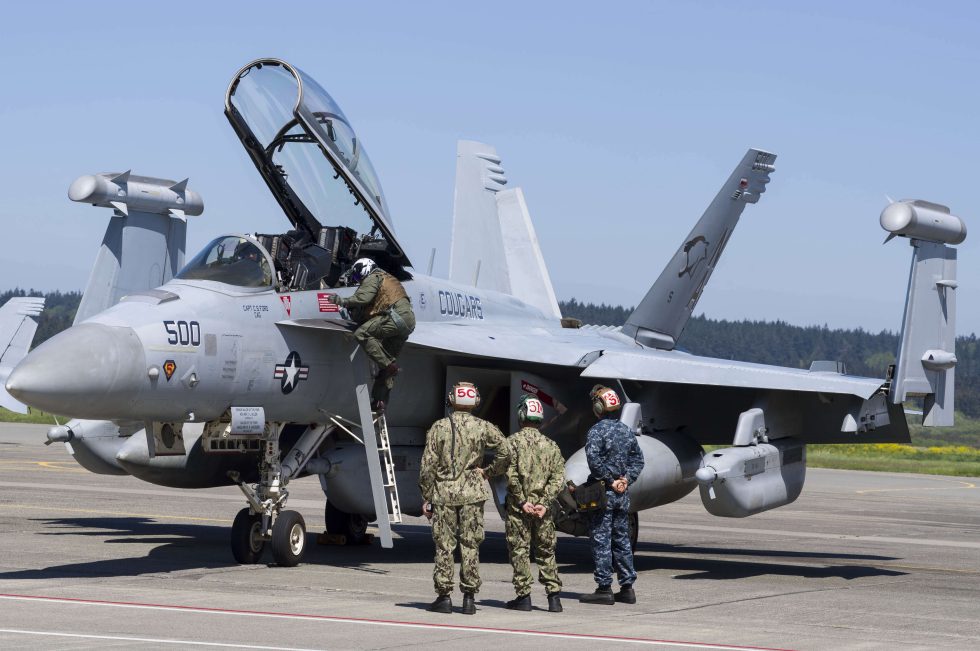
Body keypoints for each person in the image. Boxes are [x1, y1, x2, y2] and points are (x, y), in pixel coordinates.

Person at [418, 382, 510, 615]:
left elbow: (427, 466)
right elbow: (506, 452)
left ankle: (444, 596)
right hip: (472, 494)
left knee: (444, 546)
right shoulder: (483, 427)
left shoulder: (439, 427)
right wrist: (489, 472)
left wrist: (427, 496)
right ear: (475, 401)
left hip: (444, 494)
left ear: (451, 400)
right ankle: (469, 598)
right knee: (470, 544)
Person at [579, 385, 645, 606]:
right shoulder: (625, 431)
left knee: (601, 540)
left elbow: (593, 461)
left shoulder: (596, 431)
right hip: (622, 496)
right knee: (622, 540)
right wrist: (626, 479)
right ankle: (627, 588)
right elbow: (638, 460)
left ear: (599, 407)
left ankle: (604, 588)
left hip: (603, 495)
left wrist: (610, 481)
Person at [326, 258, 416, 410]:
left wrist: (340, 301)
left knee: (362, 333)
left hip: (395, 318)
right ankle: (380, 401)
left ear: (364, 269)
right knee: (386, 364)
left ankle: (388, 366)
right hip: (408, 322)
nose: (357, 280)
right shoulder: (388, 278)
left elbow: (363, 298)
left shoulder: (374, 277)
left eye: (356, 276)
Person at [504, 395, 566, 613]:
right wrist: (545, 502)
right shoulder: (551, 446)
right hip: (543, 510)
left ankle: (524, 597)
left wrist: (522, 501)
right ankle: (554, 598)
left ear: (522, 415)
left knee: (520, 551)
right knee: (546, 551)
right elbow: (559, 478)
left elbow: (509, 476)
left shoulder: (511, 443)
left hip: (518, 509)